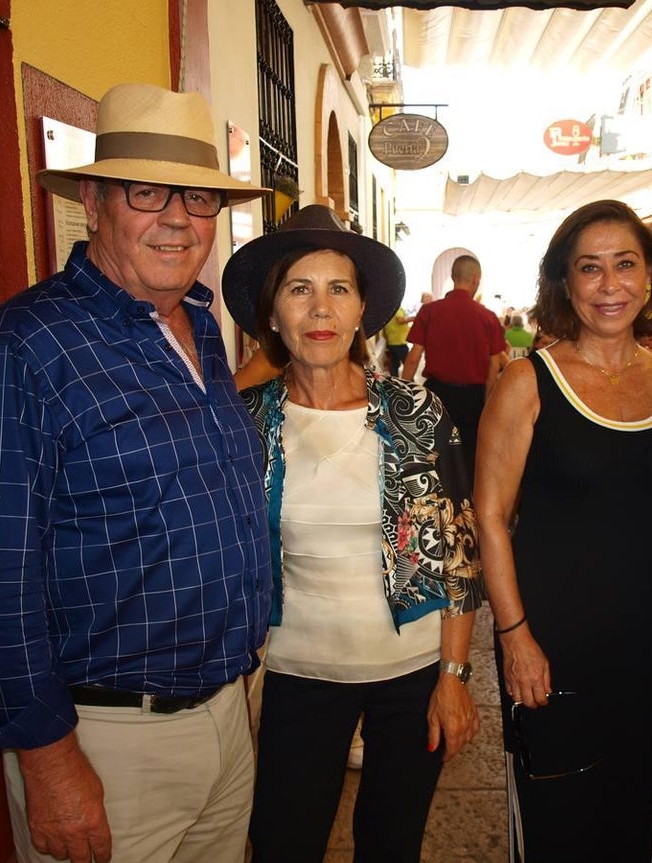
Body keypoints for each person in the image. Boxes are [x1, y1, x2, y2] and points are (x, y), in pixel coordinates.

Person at [0, 82, 275, 863]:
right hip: (110, 744)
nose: (178, 217)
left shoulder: (203, 329)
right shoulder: (22, 348)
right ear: (93, 197)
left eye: (199, 197)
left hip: (226, 717)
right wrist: (51, 764)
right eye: (146, 192)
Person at [221, 204, 485, 863]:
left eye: (338, 289)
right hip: (295, 670)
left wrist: (453, 674)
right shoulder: (245, 421)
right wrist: (253, 371)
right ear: (272, 314)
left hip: (413, 669)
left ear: (363, 309)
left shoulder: (415, 409)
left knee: (391, 844)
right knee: (284, 840)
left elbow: (458, 552)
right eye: (298, 290)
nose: (320, 310)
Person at [474, 199, 652, 861]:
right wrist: (515, 639)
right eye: (589, 268)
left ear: (650, 276)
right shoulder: (528, 382)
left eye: (625, 264)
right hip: (553, 646)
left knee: (628, 814)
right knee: (556, 821)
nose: (610, 284)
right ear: (564, 283)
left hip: (643, 645)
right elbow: (488, 514)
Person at [401, 254, 508, 485]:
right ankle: (464, 509)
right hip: (473, 398)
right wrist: (487, 401)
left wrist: (406, 397)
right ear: (476, 279)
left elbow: (413, 358)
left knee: (434, 455)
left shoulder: (429, 312)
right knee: (469, 457)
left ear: (452, 277)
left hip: (437, 395)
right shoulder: (487, 317)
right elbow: (494, 365)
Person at [381, 305, 413, 376]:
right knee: (408, 364)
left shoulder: (389, 309)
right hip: (399, 342)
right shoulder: (397, 308)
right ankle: (409, 383)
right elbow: (400, 320)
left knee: (394, 364)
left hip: (392, 341)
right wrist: (415, 318)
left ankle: (395, 382)